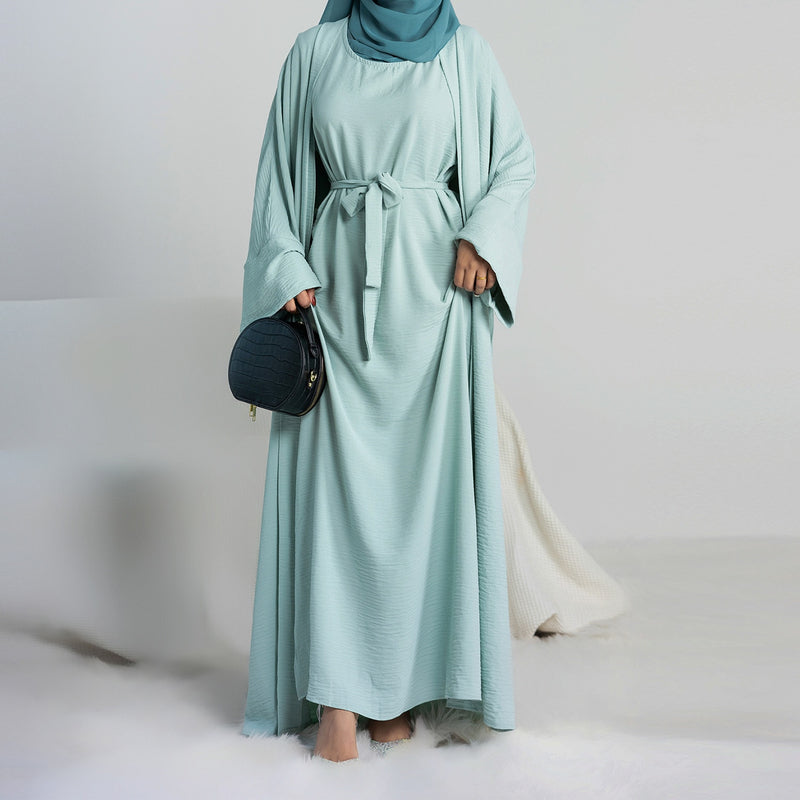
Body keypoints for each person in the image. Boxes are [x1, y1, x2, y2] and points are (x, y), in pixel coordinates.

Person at [238, 0, 537, 762]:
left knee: (420, 505)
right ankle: (338, 699)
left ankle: (397, 692)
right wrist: (286, 265)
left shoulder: (465, 55)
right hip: (335, 303)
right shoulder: (314, 53)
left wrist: (483, 236)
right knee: (336, 499)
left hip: (434, 308)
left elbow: (513, 163)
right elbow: (277, 181)